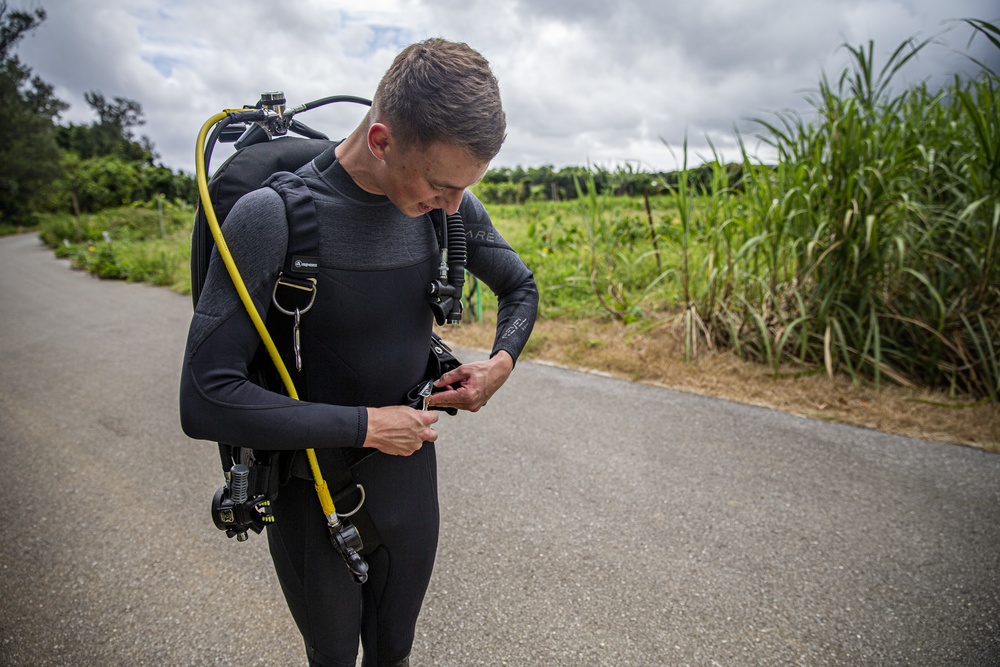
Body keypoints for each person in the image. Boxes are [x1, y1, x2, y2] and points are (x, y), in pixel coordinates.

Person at [179, 38, 538, 667]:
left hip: (408, 481)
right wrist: (368, 425)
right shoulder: (273, 218)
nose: (454, 207)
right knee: (335, 656)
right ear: (380, 140)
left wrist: (498, 365)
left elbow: (519, 287)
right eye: (439, 184)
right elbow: (205, 396)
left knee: (395, 651)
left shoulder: (442, 210)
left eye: (465, 188)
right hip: (308, 487)